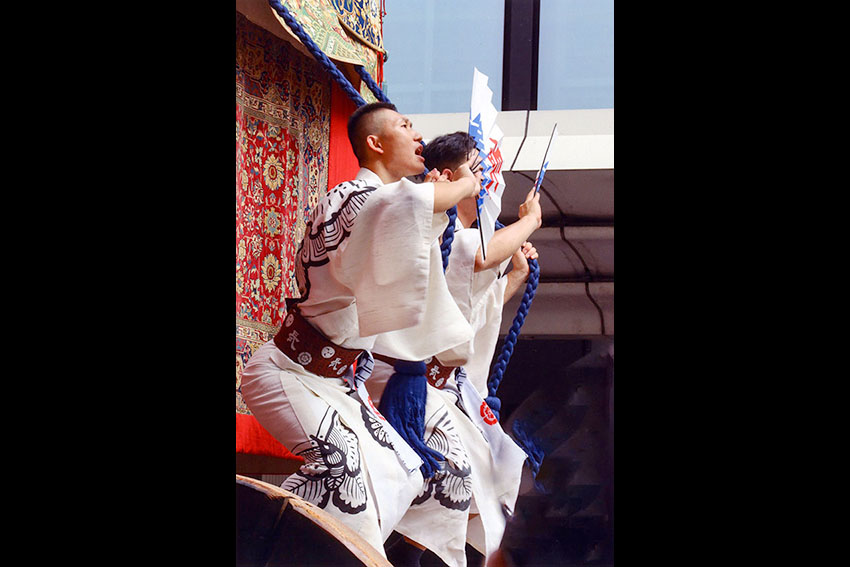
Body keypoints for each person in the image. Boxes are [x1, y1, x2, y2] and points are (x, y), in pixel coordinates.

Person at [239, 103, 480, 558]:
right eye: (405, 125)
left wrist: (437, 202)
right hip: (287, 373)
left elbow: (407, 232)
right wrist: (465, 182)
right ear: (375, 142)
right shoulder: (353, 198)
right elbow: (403, 207)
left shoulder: (380, 206)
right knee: (342, 470)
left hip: (338, 384)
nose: (417, 135)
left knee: (405, 473)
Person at [365, 131, 542, 566]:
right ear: (448, 177)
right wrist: (530, 221)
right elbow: (479, 255)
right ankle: (392, 553)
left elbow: (468, 315)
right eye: (478, 170)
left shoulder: (459, 236)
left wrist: (515, 277)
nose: (487, 181)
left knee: (498, 475)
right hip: (404, 380)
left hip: (441, 387)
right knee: (456, 475)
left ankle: (405, 552)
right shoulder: (433, 224)